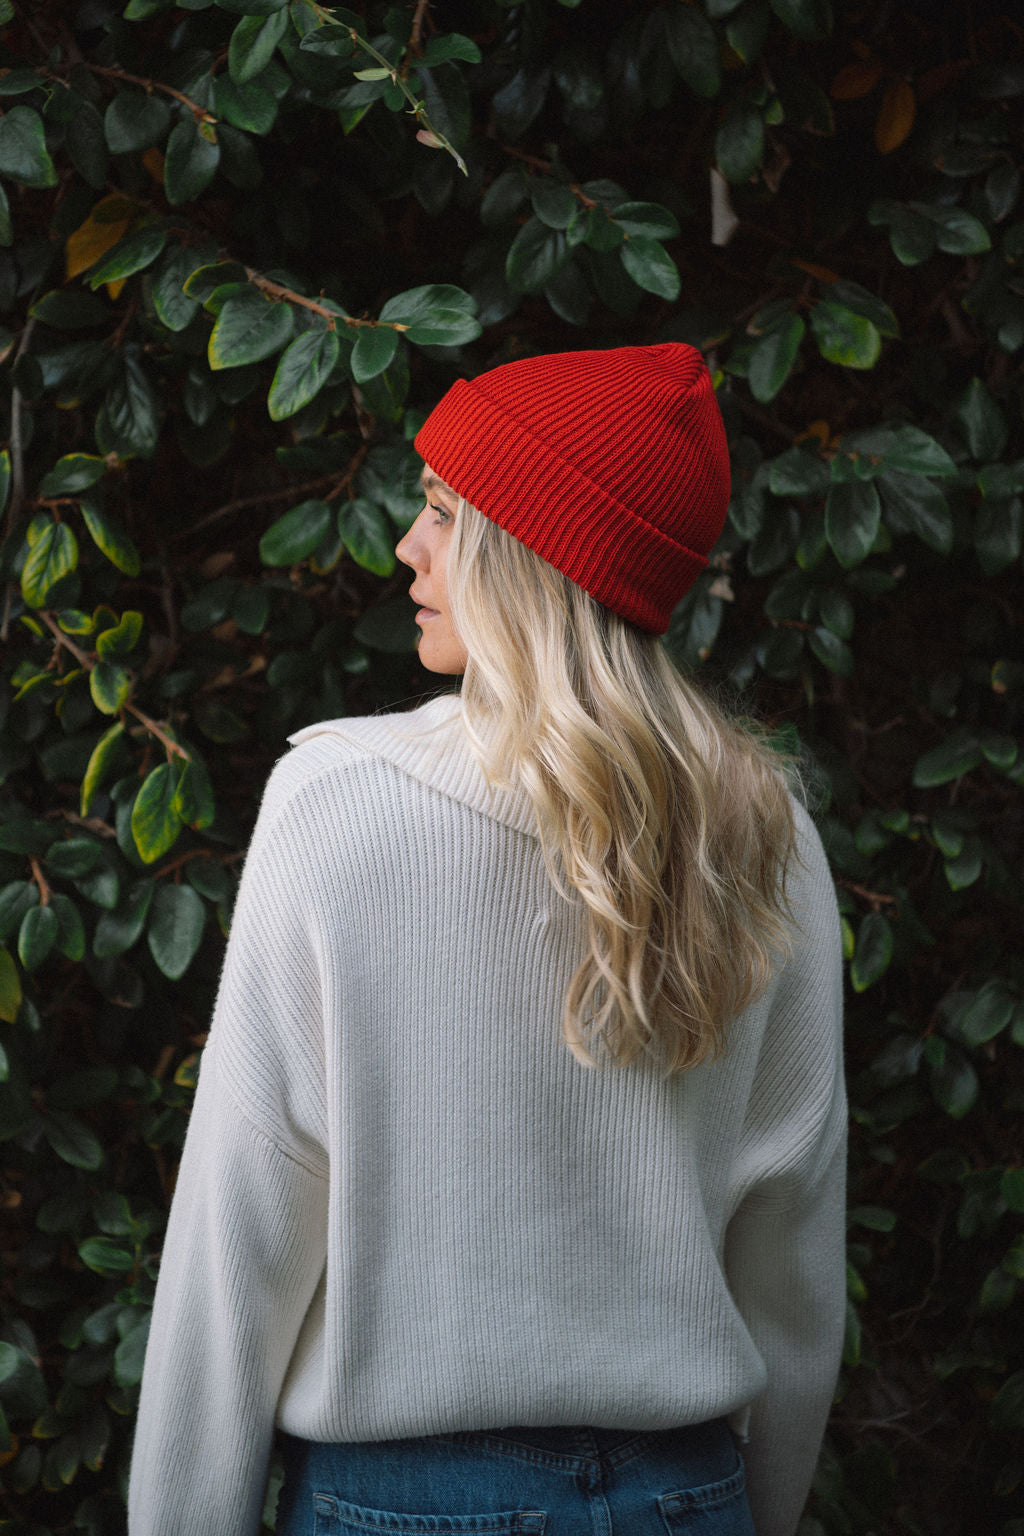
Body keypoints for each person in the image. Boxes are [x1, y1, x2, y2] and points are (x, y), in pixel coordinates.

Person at [128, 343, 846, 1536]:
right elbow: (793, 1266)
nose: (407, 546)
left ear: (535, 555)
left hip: (406, 1504)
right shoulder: (766, 837)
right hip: (685, 1497)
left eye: (445, 512)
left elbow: (239, 1237)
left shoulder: (337, 806)